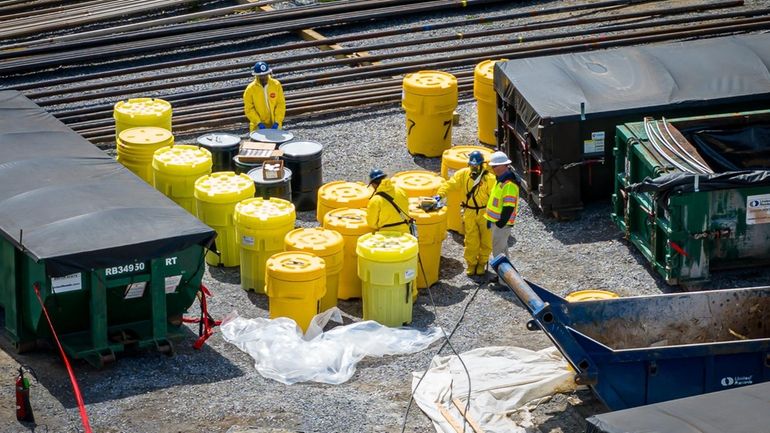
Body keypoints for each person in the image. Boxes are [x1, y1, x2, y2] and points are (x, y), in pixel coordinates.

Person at [437, 151, 496, 276]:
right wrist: (439, 195)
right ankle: (471, 264)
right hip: (469, 212)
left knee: (486, 240)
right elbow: (450, 185)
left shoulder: (490, 179)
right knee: (471, 240)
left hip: (485, 212)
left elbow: (495, 198)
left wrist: (494, 215)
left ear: (482, 165)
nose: (474, 168)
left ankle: (482, 263)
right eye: (472, 165)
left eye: (476, 165)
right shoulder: (463, 174)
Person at [485, 151, 519, 265]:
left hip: (502, 225)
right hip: (497, 223)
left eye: (495, 166)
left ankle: (503, 280)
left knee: (498, 253)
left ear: (505, 165)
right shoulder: (500, 180)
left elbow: (509, 207)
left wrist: (501, 223)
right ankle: (505, 276)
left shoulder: (509, 184)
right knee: (502, 251)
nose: (493, 168)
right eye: (492, 166)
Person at [243, 61, 286, 132]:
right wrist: (258, 122)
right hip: (257, 125)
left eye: (265, 75)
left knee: (277, 141)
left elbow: (280, 104)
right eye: (261, 76)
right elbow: (249, 109)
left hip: (275, 124)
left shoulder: (276, 85)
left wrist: (277, 121)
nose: (263, 77)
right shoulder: (250, 89)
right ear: (256, 75)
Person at [366, 169, 411, 234]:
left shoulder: (376, 200)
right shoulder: (400, 190)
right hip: (405, 232)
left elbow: (372, 223)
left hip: (386, 235)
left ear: (374, 184)